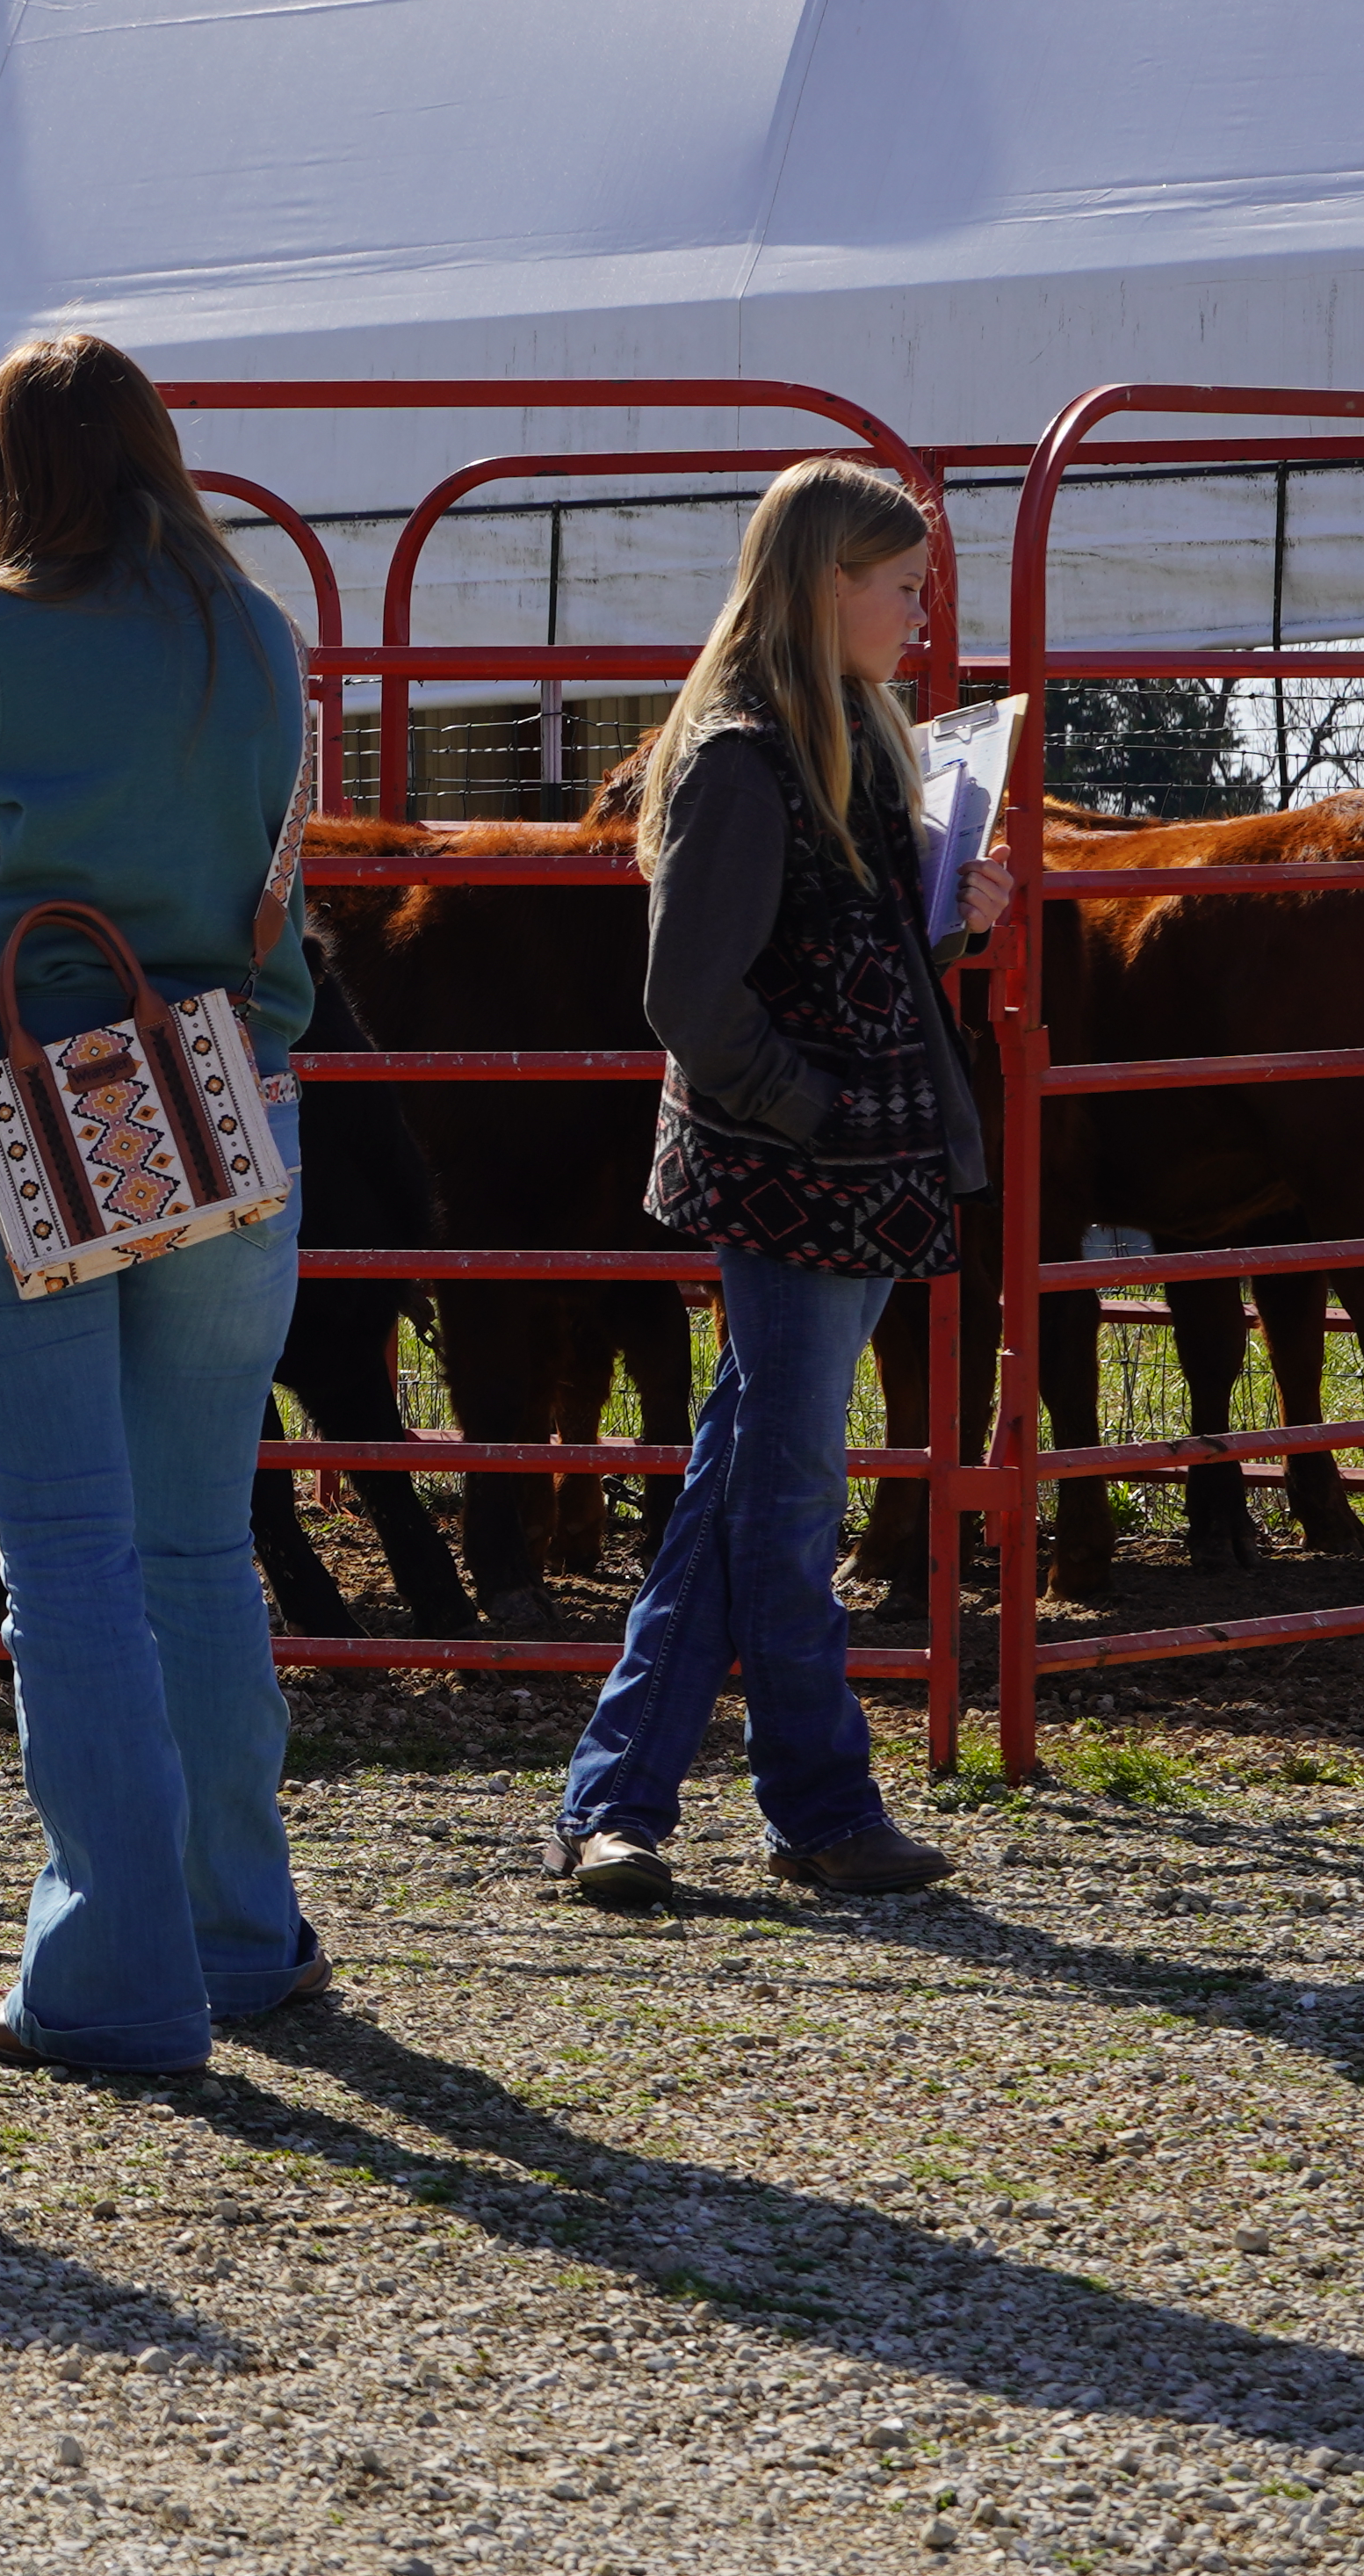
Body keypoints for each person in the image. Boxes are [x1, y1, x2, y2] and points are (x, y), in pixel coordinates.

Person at [0, 333, 319, 2073]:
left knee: (71, 1561)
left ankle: (113, 1974)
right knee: (201, 1540)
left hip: (35, 1091)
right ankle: (235, 1928)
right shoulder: (257, 632)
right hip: (228, 1098)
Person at [548, 457, 1000, 1910]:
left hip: (841, 1172)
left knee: (748, 1486)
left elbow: (831, 962)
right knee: (787, 1498)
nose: (922, 617)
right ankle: (818, 1805)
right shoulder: (749, 755)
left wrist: (946, 919)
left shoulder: (836, 739)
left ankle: (617, 1804)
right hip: (802, 1176)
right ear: (825, 586)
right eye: (903, 587)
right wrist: (806, 1110)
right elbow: (693, 993)